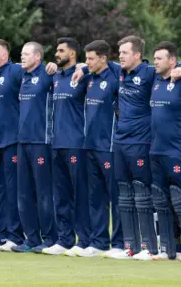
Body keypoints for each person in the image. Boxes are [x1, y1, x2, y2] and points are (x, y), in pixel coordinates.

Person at [74, 36, 181, 261]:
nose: (121, 56)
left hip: (142, 142)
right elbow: (96, 62)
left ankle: (152, 245)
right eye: (119, 52)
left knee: (144, 194)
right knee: (125, 195)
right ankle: (131, 245)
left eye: (125, 52)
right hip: (121, 142)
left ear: (137, 55)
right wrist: (83, 67)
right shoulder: (119, 71)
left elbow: (172, 66)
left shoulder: (148, 72)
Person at [0, 39, 56, 252]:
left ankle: (16, 235)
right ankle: (1, 236)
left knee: (15, 191)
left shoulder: (16, 72)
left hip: (14, 141)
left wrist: (53, 66)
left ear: (3, 55)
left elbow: (37, 73)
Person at [148, 41, 181, 261]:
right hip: (156, 151)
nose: (155, 62)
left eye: (159, 58)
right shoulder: (155, 80)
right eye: (154, 58)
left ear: (172, 60)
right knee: (161, 201)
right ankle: (170, 247)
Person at [74, 40, 123, 257]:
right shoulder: (89, 77)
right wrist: (84, 67)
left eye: (91, 58)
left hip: (109, 146)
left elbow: (146, 69)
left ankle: (120, 243)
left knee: (116, 196)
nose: (87, 62)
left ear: (104, 58)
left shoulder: (116, 74)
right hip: (90, 146)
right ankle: (98, 242)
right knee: (95, 197)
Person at [43, 38, 91, 256]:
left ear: (72, 54)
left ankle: (85, 240)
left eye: (61, 50)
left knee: (79, 194)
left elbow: (108, 69)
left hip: (77, 144)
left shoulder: (84, 75)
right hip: (57, 144)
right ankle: (64, 240)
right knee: (60, 195)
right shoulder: (56, 77)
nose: (56, 53)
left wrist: (87, 67)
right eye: (56, 49)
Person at [12, 42, 57, 253]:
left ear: (38, 57)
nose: (22, 57)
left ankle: (50, 239)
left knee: (44, 194)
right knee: (23, 194)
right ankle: (31, 239)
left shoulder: (48, 73)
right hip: (22, 143)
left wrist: (57, 66)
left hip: (42, 142)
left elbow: (71, 73)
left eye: (26, 54)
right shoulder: (21, 76)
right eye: (21, 54)